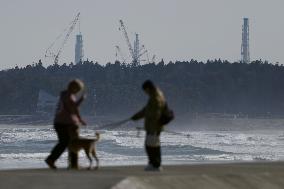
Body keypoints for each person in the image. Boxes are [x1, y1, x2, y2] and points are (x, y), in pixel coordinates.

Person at [45, 79, 86, 169]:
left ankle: (72, 164)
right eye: (78, 89)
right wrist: (81, 100)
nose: (78, 91)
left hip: (63, 123)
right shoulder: (67, 95)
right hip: (63, 123)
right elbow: (73, 107)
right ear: (74, 88)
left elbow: (74, 109)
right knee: (67, 142)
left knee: (69, 142)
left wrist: (79, 119)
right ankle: (53, 160)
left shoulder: (67, 95)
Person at [131, 80, 166, 171]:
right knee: (154, 145)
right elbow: (146, 110)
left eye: (145, 91)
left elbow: (154, 113)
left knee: (150, 146)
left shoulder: (155, 98)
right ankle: (155, 164)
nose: (145, 93)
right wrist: (135, 117)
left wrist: (154, 127)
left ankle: (155, 165)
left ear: (148, 88)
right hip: (154, 126)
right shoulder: (157, 95)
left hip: (154, 127)